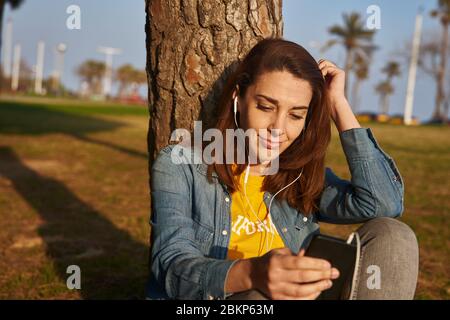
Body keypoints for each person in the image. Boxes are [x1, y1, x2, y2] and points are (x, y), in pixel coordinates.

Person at [146, 38, 419, 300]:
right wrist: (254, 273)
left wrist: (337, 104)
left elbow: (383, 203)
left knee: (394, 235)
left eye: (296, 115)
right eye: (265, 106)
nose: (277, 128)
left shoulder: (299, 176)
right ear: (238, 97)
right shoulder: (182, 165)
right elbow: (170, 267)